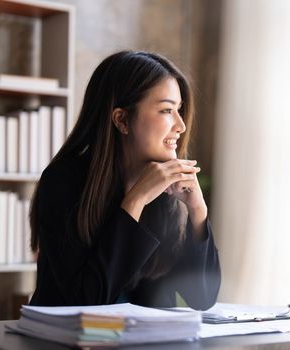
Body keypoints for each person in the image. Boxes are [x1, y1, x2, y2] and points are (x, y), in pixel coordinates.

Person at [28, 51, 220, 310]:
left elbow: (202, 299)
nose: (180, 125)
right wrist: (135, 201)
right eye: (166, 110)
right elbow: (85, 301)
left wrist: (198, 212)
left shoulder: (167, 194)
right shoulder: (62, 181)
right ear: (121, 119)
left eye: (179, 110)